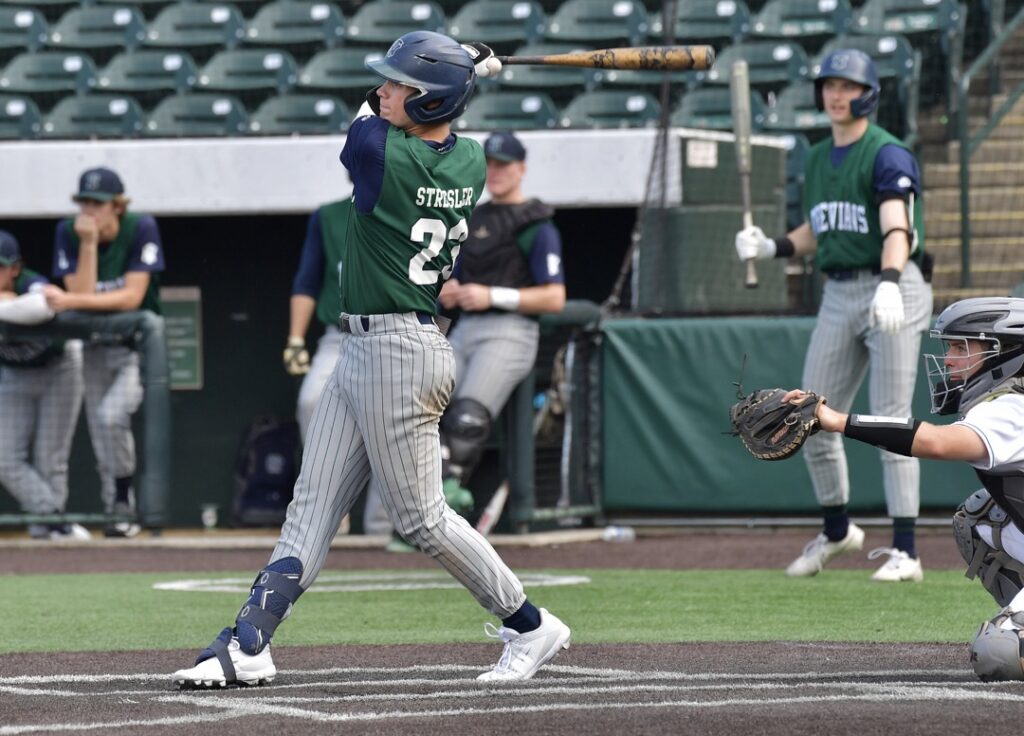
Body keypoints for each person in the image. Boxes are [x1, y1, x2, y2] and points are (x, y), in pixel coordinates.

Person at [172, 31, 570, 689]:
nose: (383, 90)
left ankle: (527, 623)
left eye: (397, 85)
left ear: (428, 102)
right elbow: (434, 122)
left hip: (399, 353)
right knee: (312, 504)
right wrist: (462, 74)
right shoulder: (468, 158)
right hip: (368, 347)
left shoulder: (377, 151)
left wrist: (461, 68)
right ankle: (248, 642)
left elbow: (369, 120)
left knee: (420, 520)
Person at [734, 48, 933, 581]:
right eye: (828, 85)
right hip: (840, 291)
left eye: (846, 85)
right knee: (807, 413)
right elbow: (816, 231)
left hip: (892, 286)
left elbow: (898, 229)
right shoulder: (818, 157)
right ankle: (838, 529)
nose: (836, 94)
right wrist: (769, 247)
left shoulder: (887, 154)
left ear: (867, 92)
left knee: (890, 415)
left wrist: (891, 282)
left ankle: (907, 551)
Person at [783, 296, 1024, 679]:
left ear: (1005, 352)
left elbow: (937, 443)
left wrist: (834, 419)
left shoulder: (1010, 407)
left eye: (962, 347)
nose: (948, 359)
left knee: (998, 654)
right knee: (979, 520)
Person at [438, 129, 565, 492]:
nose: (495, 173)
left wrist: (492, 295)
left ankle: (448, 496)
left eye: (503, 165)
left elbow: (554, 298)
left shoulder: (537, 225)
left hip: (510, 331)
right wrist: (448, 288)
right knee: (418, 408)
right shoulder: (471, 218)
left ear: (521, 169)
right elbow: (452, 278)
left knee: (467, 420)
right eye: (489, 165)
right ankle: (416, 503)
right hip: (464, 329)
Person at [45, 167, 166, 538]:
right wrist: (87, 244)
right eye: (84, 201)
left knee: (112, 415)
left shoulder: (141, 226)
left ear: (117, 205)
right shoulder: (69, 232)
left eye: (97, 203)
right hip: (95, 346)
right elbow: (83, 302)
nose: (89, 209)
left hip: (136, 349)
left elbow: (130, 296)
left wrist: (72, 299)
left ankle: (124, 499)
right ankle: (116, 512)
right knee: (101, 431)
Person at [284, 197, 390, 535]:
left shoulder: (407, 203)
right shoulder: (329, 216)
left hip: (394, 332)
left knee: (388, 422)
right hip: (340, 334)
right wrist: (296, 338)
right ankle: (328, 511)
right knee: (311, 401)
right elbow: (307, 280)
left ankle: (383, 525)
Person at [0, 230, 88, 541]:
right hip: (14, 373)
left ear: (14, 268)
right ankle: (55, 521)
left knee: (51, 456)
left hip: (59, 366)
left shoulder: (30, 282)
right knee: (4, 457)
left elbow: (41, 306)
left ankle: (48, 530)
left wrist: (12, 304)